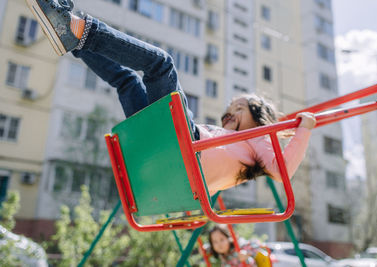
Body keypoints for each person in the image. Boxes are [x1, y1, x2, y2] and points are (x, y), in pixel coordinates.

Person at [25, 0, 316, 195]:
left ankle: (77, 29)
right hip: (167, 152)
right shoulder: (233, 142)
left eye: (238, 108)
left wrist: (304, 130)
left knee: (161, 64)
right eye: (229, 108)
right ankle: (72, 38)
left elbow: (282, 172)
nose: (229, 113)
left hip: (183, 150)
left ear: (258, 116)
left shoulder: (259, 139)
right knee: (127, 81)